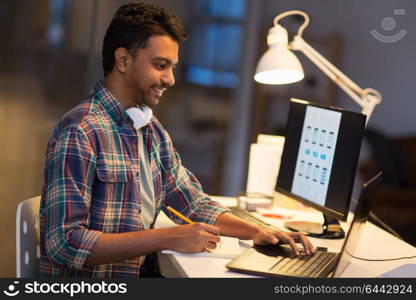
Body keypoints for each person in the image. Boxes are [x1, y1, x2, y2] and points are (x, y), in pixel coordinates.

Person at [39, 2, 314, 278]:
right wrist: (167, 237)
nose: (170, 79)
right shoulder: (80, 131)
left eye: (172, 67)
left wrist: (259, 230)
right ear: (122, 60)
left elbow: (192, 203)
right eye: (160, 65)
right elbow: (64, 243)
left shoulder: (150, 131)